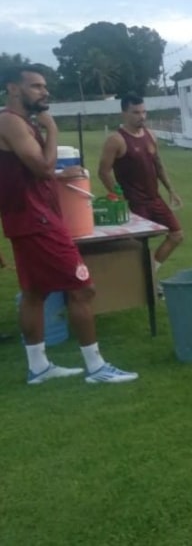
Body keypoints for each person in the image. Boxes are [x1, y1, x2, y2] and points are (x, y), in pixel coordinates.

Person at [0, 65, 138, 384]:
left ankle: (39, 367)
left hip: (25, 219)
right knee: (82, 289)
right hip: (39, 222)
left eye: (44, 86)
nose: (44, 91)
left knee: (34, 293)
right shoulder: (10, 121)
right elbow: (43, 168)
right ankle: (96, 367)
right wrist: (53, 131)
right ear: (14, 89)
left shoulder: (18, 123)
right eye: (35, 86)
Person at [98, 94, 183, 294]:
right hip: (135, 202)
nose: (141, 116)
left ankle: (149, 276)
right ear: (124, 113)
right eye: (136, 112)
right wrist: (119, 197)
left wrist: (171, 190)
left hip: (155, 199)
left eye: (144, 112)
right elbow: (103, 172)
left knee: (176, 235)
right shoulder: (116, 140)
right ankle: (134, 285)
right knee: (137, 248)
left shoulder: (150, 135)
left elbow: (158, 165)